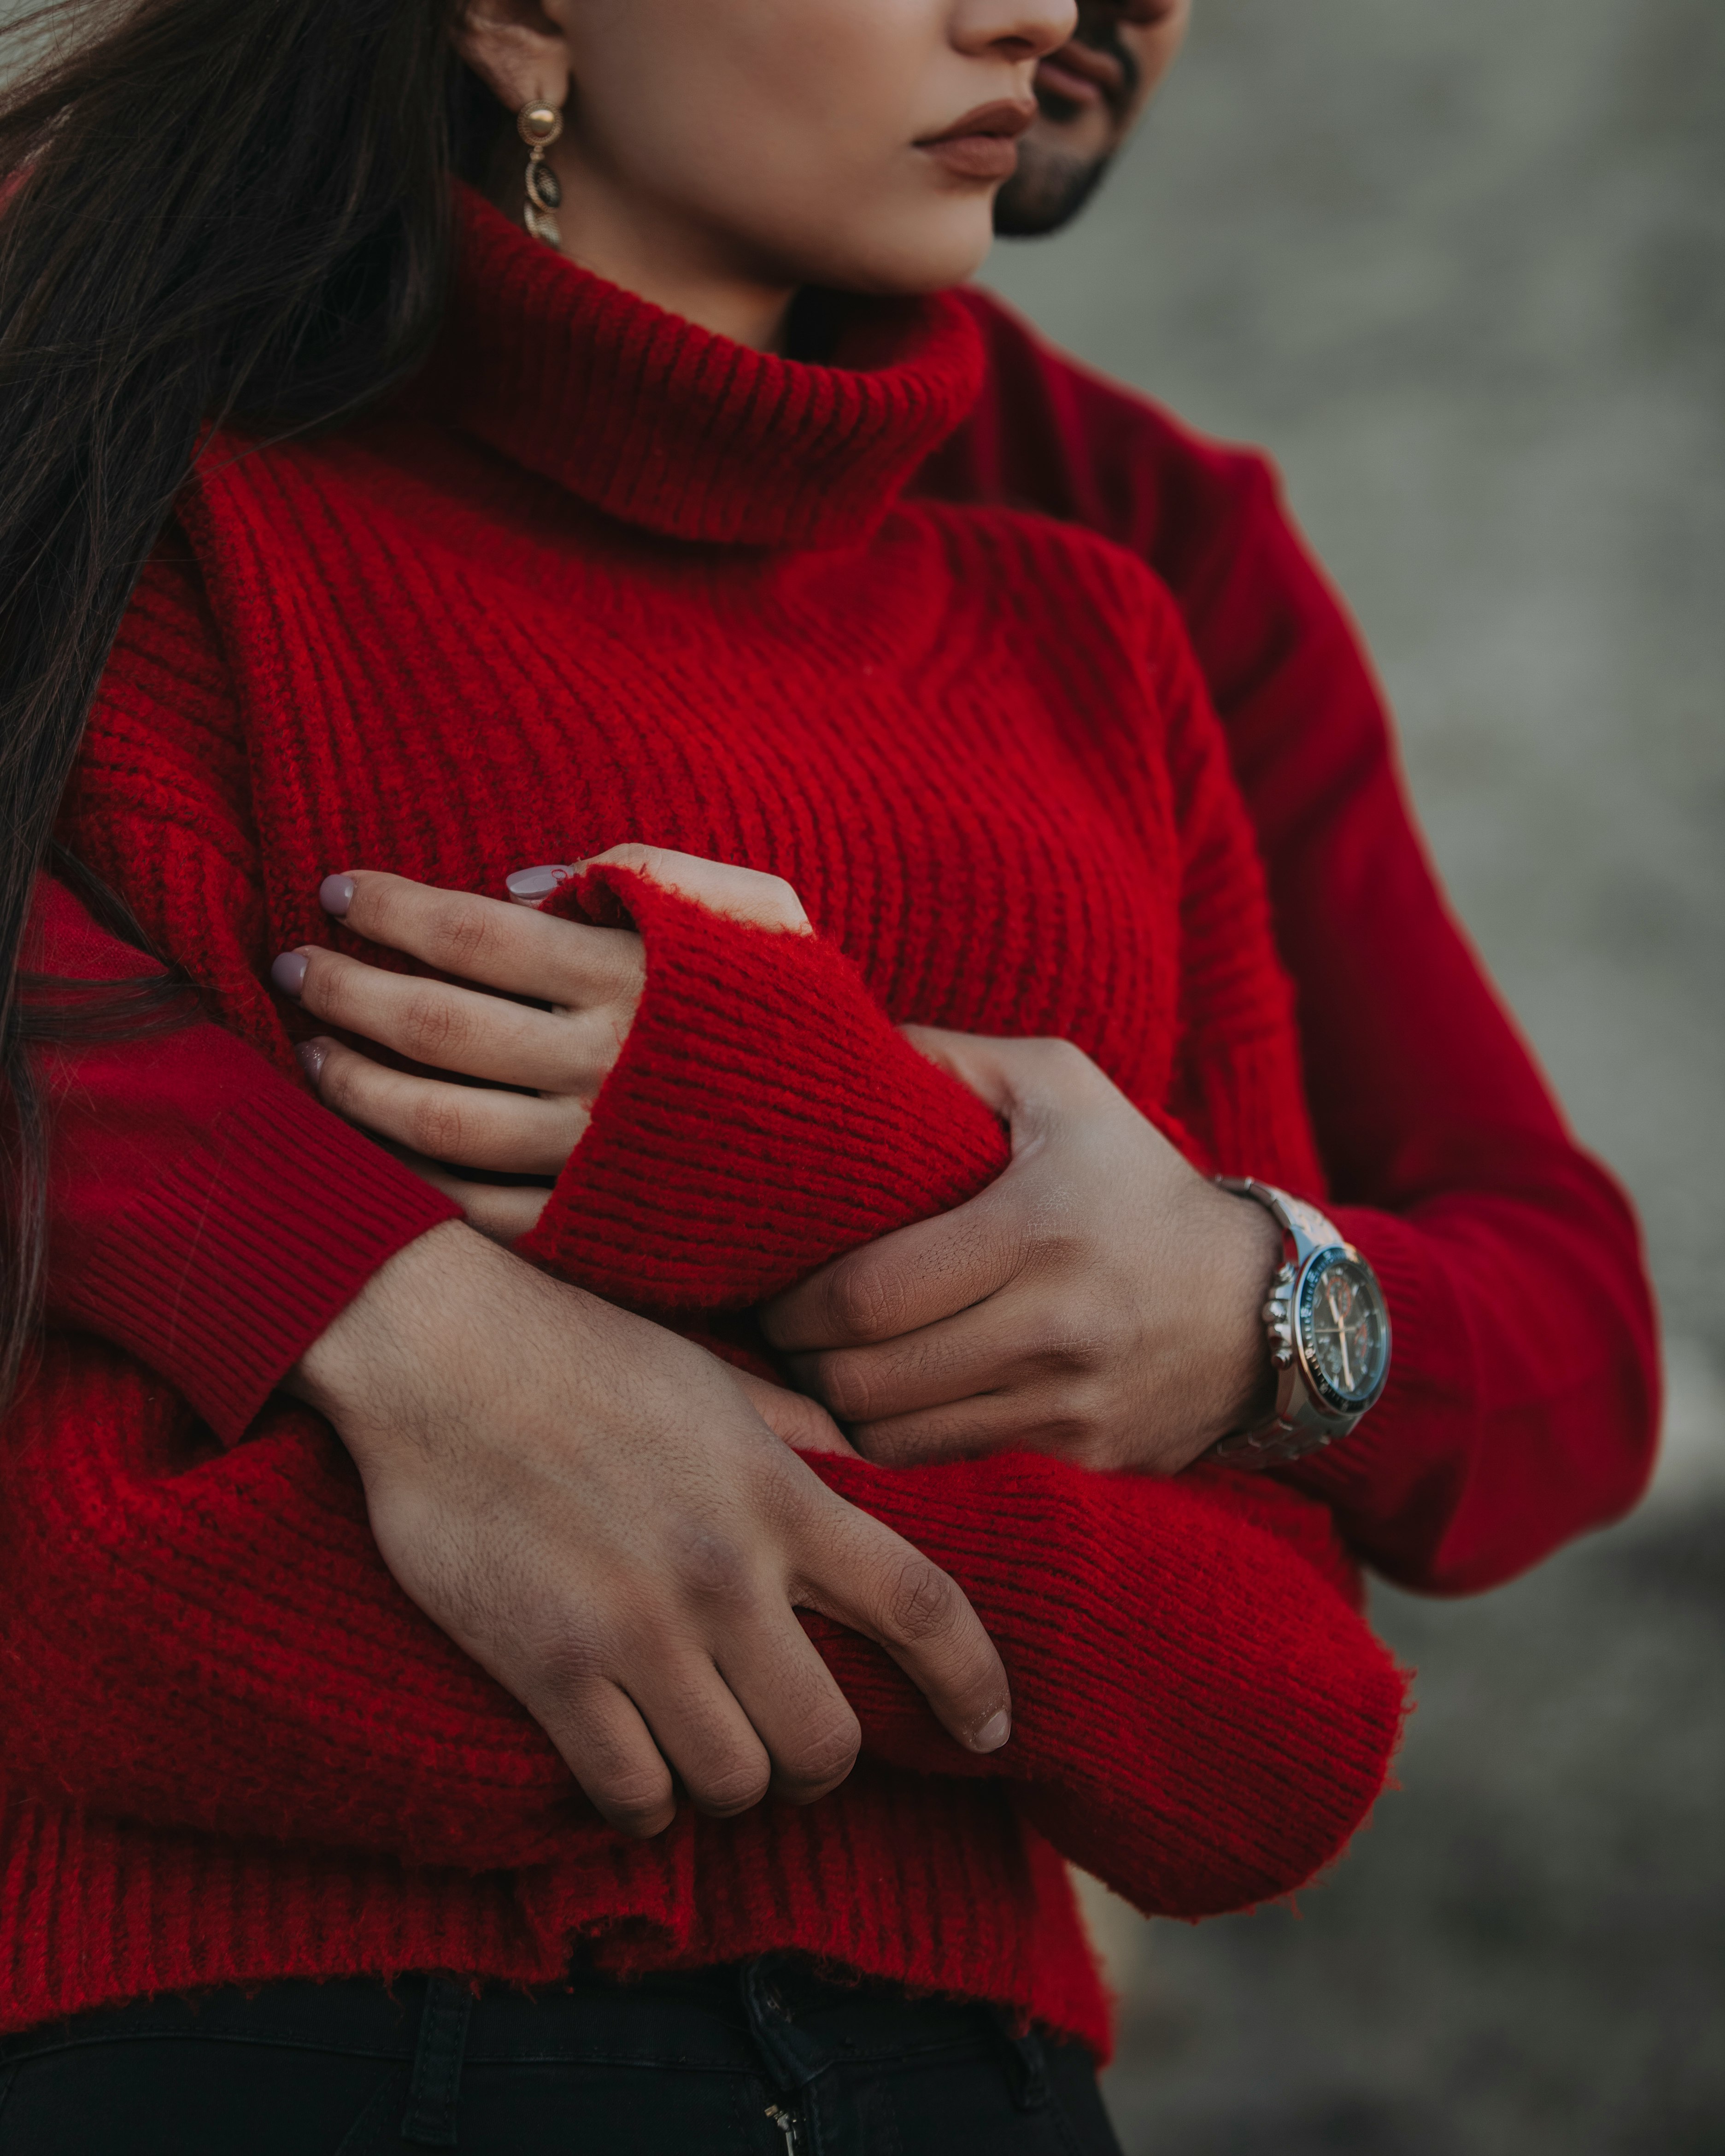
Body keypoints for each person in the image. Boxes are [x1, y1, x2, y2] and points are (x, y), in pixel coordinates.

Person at [0, 5, 1651, 2156]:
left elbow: (1340, 1649)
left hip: (966, 2071)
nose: (1074, 5)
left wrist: (1217, 1296)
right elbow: (129, 1604)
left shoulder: (1123, 591)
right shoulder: (124, 431)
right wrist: (383, 1308)